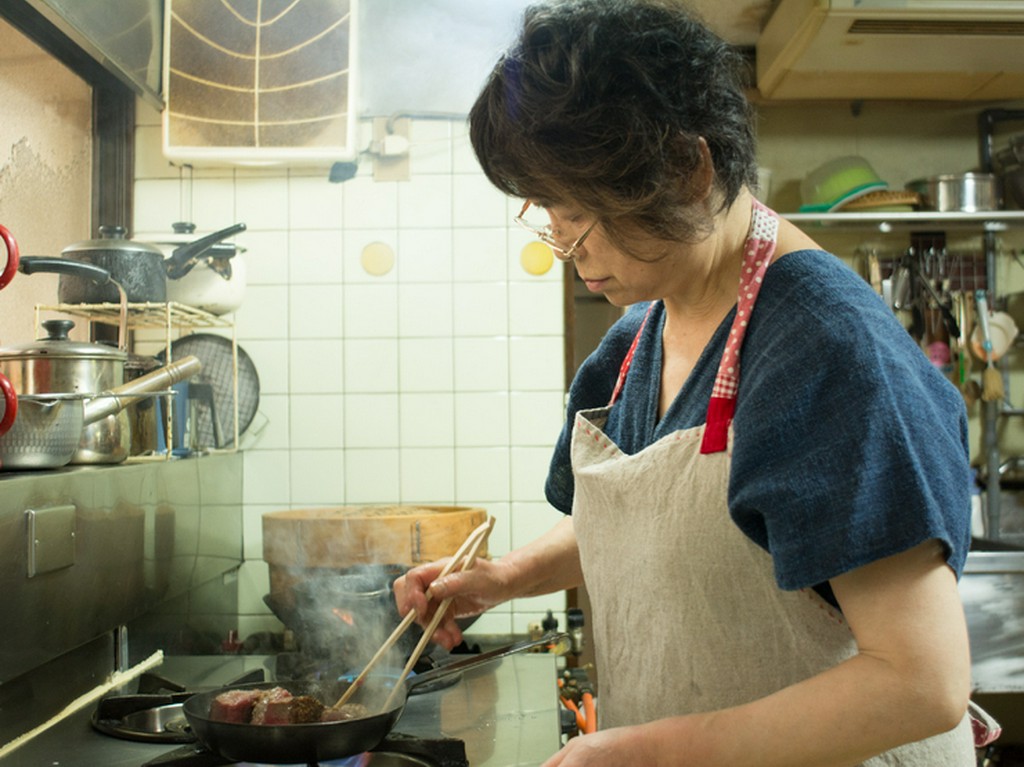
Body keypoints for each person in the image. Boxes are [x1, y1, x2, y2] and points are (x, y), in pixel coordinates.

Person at [394, 1, 989, 764]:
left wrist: (644, 752)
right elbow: (657, 530)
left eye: (577, 216)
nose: (566, 249)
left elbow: (919, 682)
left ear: (687, 168)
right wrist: (502, 578)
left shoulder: (829, 352)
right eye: (547, 215)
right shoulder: (637, 338)